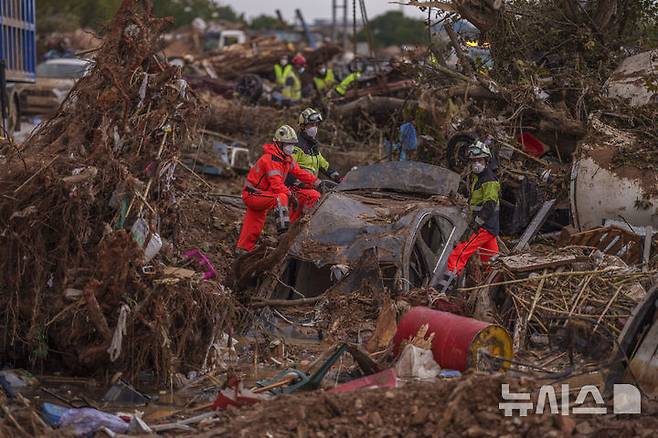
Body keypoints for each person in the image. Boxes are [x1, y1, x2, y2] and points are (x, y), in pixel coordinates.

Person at [236, 125, 322, 253]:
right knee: (280, 197)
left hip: (261, 195)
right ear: (279, 143)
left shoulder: (286, 159)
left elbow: (299, 172)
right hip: (253, 194)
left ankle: (243, 249)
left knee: (254, 225)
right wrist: (290, 195)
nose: (291, 147)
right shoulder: (270, 159)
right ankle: (283, 233)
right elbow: (276, 186)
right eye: (288, 144)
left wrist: (316, 181)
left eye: (292, 144)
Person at [442, 141, 500, 287]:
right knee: (491, 261)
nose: (476, 164)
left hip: (484, 226)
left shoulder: (489, 180)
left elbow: (490, 204)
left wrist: (476, 223)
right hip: (489, 227)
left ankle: (444, 288)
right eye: (474, 161)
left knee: (459, 253)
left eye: (480, 160)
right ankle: (492, 287)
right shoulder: (477, 178)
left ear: (486, 161)